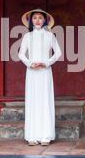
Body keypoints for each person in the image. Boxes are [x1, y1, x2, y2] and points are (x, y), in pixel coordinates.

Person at [18, 8, 62, 146]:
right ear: (31, 20)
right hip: (31, 72)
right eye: (35, 18)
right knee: (32, 101)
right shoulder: (27, 36)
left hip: (45, 72)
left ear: (45, 21)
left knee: (45, 101)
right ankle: (32, 135)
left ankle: (46, 136)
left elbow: (58, 53)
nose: (37, 20)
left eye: (40, 18)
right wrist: (30, 63)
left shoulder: (50, 36)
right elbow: (21, 54)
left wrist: (46, 63)